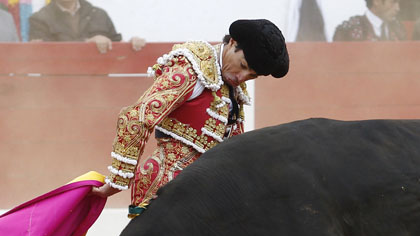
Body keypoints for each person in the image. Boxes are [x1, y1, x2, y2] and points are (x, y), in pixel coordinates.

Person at [93, 19, 290, 216]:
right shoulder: (191, 69)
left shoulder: (231, 83)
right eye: (243, 65)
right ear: (232, 42)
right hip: (168, 188)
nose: (242, 77)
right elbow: (137, 117)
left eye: (252, 76)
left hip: (209, 191)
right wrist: (118, 179)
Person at [333, 0, 406, 42]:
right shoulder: (349, 30)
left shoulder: (398, 28)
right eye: (393, 2)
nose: (397, 8)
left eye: (398, 3)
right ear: (377, 0)